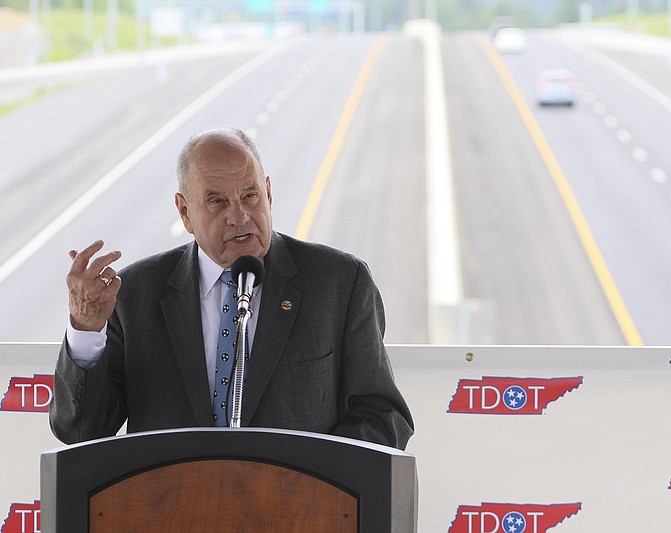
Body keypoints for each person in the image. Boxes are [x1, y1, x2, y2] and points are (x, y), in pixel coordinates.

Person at [49, 127, 414, 450]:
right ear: (185, 212)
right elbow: (81, 431)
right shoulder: (135, 296)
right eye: (217, 201)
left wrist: (310, 482)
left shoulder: (340, 283)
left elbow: (385, 417)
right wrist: (85, 329)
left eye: (250, 195)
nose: (239, 216)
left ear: (269, 193)